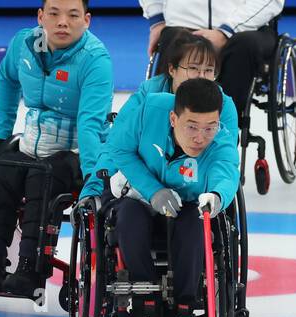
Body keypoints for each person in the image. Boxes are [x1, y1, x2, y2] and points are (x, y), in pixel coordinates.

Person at [0, 0, 113, 298]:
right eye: (54, 14)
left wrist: (93, 172)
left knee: (42, 179)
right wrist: (1, 135)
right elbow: (7, 80)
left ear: (87, 20)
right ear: (41, 16)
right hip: (30, 143)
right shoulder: (23, 44)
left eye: (72, 15)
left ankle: (30, 266)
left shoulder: (96, 60)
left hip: (76, 149)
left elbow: (91, 123)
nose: (62, 22)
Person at [79, 79, 238, 317]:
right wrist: (153, 191)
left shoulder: (220, 136)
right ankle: (146, 310)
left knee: (195, 224)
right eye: (192, 127)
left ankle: (183, 316)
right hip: (139, 193)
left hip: (187, 202)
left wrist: (216, 195)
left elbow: (227, 170)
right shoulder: (148, 110)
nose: (200, 137)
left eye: (209, 128)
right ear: (173, 118)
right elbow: (119, 149)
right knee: (128, 218)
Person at [99, 30, 238, 199]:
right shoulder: (149, 97)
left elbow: (225, 158)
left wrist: (217, 195)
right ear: (172, 69)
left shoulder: (223, 105)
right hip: (144, 182)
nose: (202, 77)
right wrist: (93, 188)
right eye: (193, 68)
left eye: (209, 70)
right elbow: (118, 144)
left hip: (194, 188)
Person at [142, 0, 282, 135]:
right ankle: (167, 131)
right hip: (184, 23)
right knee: (172, 39)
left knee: (245, 45)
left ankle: (224, 130)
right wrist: (157, 21)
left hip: (247, 28)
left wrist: (226, 31)